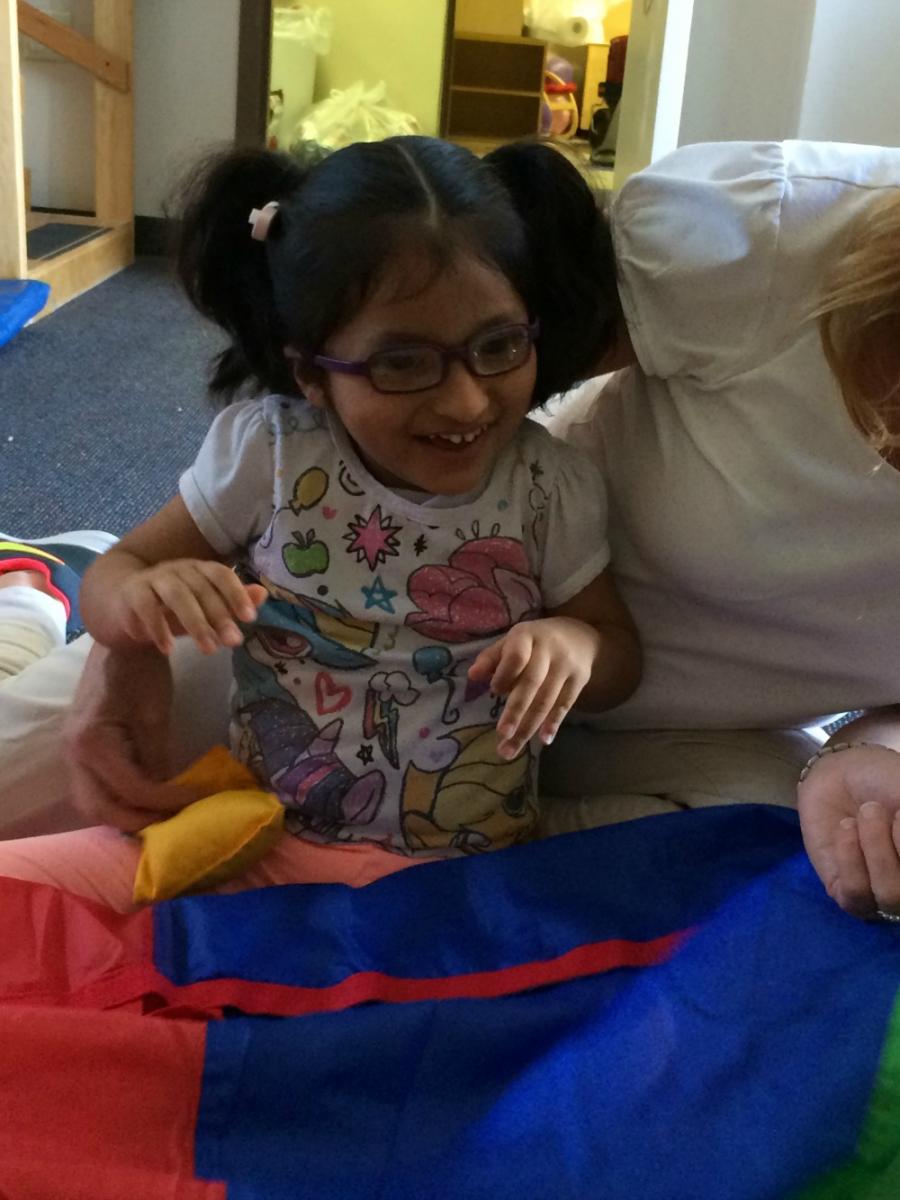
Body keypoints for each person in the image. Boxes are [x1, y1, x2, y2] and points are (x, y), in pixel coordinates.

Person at [2, 137, 898, 920]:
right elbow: (429, 296)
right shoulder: (784, 234)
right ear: (306, 371)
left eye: (497, 352)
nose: (466, 395)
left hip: (579, 756)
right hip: (281, 677)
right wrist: (128, 635)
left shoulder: (555, 488)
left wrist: (872, 753)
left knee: (774, 879)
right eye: (407, 364)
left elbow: (605, 641)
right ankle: (42, 594)